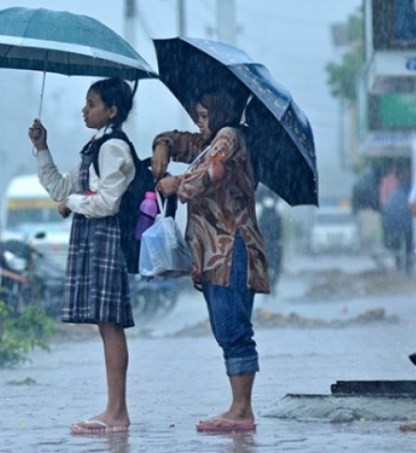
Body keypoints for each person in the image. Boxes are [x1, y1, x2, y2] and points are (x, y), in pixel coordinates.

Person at [151, 87, 269, 432]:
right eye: (198, 116)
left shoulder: (229, 137)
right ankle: (239, 406)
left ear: (219, 115)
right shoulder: (209, 140)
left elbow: (208, 174)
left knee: (233, 326)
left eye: (204, 116)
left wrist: (176, 183)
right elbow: (175, 140)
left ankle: (242, 409)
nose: (199, 123)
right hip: (213, 252)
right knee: (225, 325)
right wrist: (162, 146)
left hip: (230, 248)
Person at [28, 78, 136, 435]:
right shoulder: (96, 146)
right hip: (92, 235)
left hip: (106, 236)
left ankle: (117, 411)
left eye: (91, 103)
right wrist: (42, 148)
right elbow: (63, 187)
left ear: (111, 110)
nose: (84, 109)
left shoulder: (114, 147)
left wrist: (71, 204)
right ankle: (114, 408)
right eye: (85, 103)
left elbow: (106, 202)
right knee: (105, 323)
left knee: (111, 322)